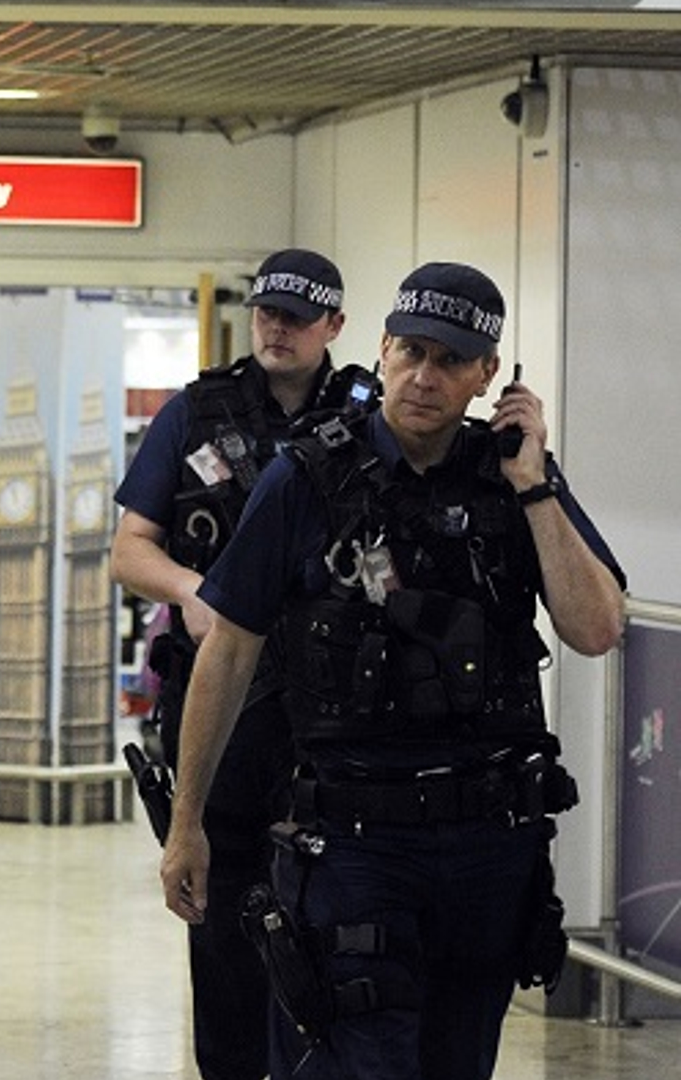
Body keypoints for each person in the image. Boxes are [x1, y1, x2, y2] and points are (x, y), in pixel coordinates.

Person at [159, 262, 626, 1080]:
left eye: (450, 360)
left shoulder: (512, 479)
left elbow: (594, 628)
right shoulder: (307, 477)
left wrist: (535, 485)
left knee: (457, 1063)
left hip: (487, 843)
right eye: (409, 351)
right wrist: (187, 817)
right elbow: (229, 650)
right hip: (354, 843)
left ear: (489, 376)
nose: (423, 376)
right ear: (380, 350)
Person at [112, 248, 372, 1080]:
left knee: (330, 947)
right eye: (266, 311)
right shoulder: (196, 412)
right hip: (224, 712)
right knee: (224, 941)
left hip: (338, 716)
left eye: (297, 316)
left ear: (333, 325)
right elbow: (127, 550)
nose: (276, 327)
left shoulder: (370, 420)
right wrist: (199, 592)